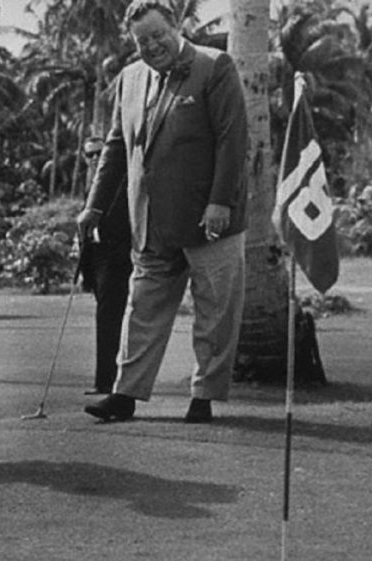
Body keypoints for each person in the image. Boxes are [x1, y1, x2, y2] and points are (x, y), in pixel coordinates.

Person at [77, 0, 248, 424]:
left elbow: (232, 139)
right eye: (142, 41)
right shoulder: (130, 79)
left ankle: (203, 397)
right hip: (151, 221)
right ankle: (125, 394)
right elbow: (117, 146)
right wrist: (94, 207)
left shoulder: (215, 66)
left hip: (210, 220)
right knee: (142, 310)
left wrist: (219, 202)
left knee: (214, 314)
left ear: (176, 25)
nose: (152, 46)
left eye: (158, 35)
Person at [79, 137, 132, 395]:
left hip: (118, 253)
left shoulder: (119, 182)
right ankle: (104, 379)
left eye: (99, 153)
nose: (94, 158)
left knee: (112, 318)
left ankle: (108, 381)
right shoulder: (88, 186)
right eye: (89, 155)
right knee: (104, 317)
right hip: (96, 257)